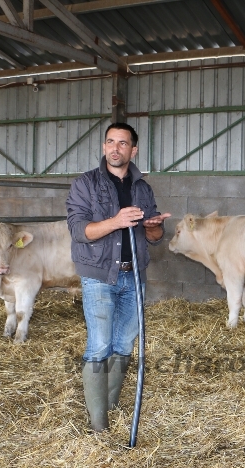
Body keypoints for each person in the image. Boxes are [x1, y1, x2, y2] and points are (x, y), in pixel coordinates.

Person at [66, 123, 171, 432]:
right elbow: (78, 230)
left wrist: (153, 226)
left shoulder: (142, 188)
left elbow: (153, 237)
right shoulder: (85, 184)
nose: (115, 148)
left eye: (122, 143)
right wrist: (115, 221)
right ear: (103, 147)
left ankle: (109, 404)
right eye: (110, 142)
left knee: (124, 343)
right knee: (99, 344)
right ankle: (99, 426)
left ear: (133, 150)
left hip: (134, 275)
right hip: (100, 275)